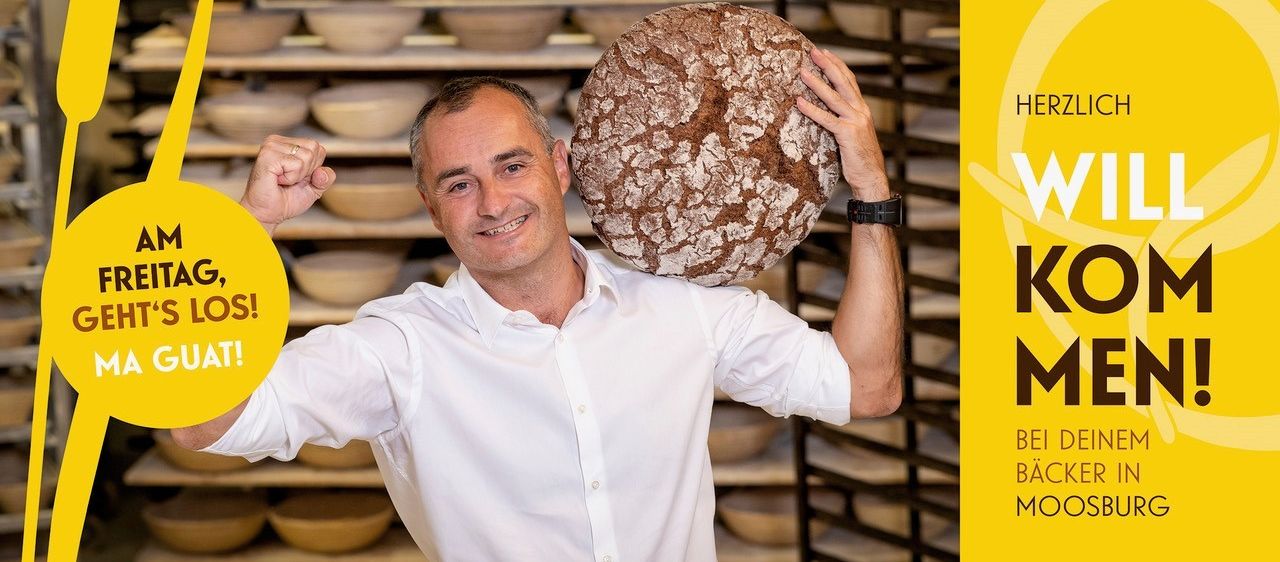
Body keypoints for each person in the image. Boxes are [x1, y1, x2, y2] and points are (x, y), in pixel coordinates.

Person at [172, 47, 903, 561]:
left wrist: (869, 188)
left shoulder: (679, 306)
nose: (493, 203)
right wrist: (250, 229)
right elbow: (203, 420)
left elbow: (867, 386)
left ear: (559, 166)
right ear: (431, 207)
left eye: (512, 166)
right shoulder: (401, 347)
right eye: (459, 184)